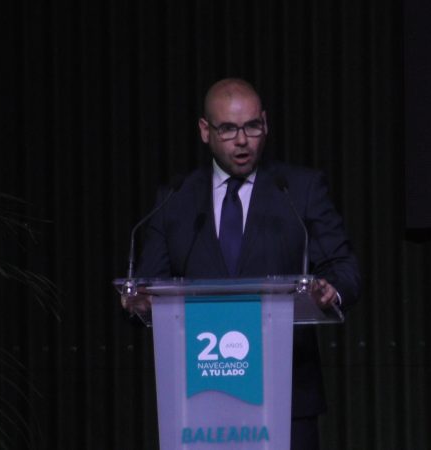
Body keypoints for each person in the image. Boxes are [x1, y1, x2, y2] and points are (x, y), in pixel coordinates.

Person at [130, 78, 360, 450]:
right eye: (228, 129)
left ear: (265, 124)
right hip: (200, 399)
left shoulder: (299, 189)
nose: (242, 140)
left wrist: (331, 291)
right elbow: (148, 283)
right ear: (205, 131)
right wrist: (140, 303)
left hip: (287, 399)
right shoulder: (176, 197)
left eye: (252, 126)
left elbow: (344, 269)